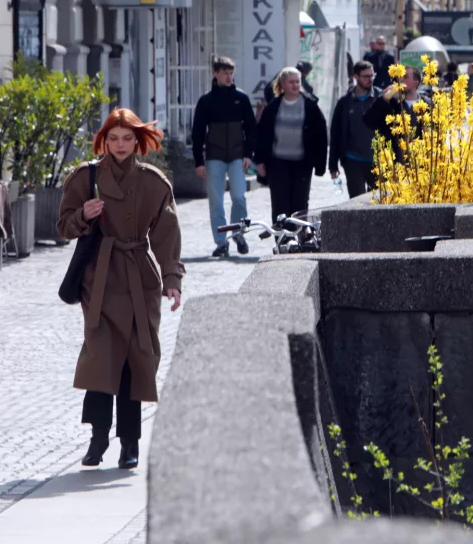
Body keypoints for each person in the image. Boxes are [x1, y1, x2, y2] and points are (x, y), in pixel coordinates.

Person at [56, 108, 184, 470]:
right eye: (113, 138)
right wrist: (85, 215)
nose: (120, 145)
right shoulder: (86, 176)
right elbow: (63, 225)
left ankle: (130, 442)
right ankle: (98, 439)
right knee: (100, 357)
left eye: (128, 138)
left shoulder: (154, 183)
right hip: (99, 279)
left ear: (139, 140)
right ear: (104, 140)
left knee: (135, 359)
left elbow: (167, 234)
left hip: (139, 278)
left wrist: (172, 279)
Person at [191, 56, 257, 257]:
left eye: (231, 73)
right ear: (215, 74)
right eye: (225, 73)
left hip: (237, 155)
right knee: (216, 202)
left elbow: (251, 128)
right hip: (214, 156)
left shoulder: (241, 98)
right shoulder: (206, 101)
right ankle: (221, 242)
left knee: (239, 197)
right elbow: (198, 133)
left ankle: (237, 232)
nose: (229, 77)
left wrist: (248, 154)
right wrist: (198, 162)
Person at [254, 67, 328, 222]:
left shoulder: (310, 105)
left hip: (302, 162)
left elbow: (321, 136)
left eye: (297, 82)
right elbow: (262, 134)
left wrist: (320, 166)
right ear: (283, 85)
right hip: (278, 162)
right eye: (291, 82)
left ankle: (299, 239)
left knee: (300, 203)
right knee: (280, 203)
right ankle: (282, 241)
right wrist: (260, 160)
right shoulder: (273, 107)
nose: (295, 85)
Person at [329, 60, 383, 197]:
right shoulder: (345, 103)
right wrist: (333, 165)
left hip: (378, 160)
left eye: (372, 76)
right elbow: (336, 134)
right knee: (357, 201)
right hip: (353, 160)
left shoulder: (380, 98)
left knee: (377, 202)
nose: (369, 80)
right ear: (355, 76)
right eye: (365, 76)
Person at [364, 66, 431, 161]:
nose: (401, 79)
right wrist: (383, 99)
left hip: (421, 164)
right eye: (400, 76)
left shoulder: (428, 104)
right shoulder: (391, 104)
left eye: (406, 76)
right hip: (395, 165)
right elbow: (368, 121)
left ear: (416, 82)